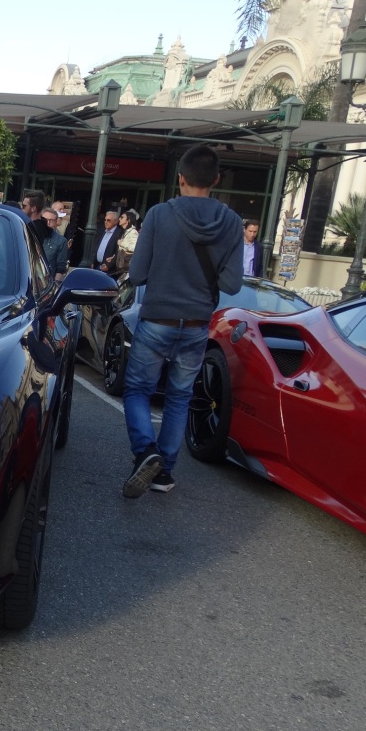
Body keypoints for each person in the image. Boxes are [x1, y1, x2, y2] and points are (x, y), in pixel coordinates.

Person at [121, 144, 242, 497]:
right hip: (196, 323)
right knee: (179, 397)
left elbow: (138, 273)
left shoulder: (159, 215)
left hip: (157, 318)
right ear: (216, 179)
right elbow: (233, 283)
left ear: (181, 178)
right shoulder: (233, 223)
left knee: (139, 390)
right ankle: (164, 473)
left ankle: (146, 452)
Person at [93, 209, 123, 275]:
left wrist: (109, 265)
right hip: (97, 265)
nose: (106, 222)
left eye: (108, 220)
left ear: (115, 221)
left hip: (108, 269)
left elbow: (118, 252)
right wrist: (93, 261)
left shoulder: (119, 234)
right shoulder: (103, 231)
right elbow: (97, 247)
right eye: (105, 220)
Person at [40, 208, 67, 277]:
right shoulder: (31, 235)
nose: (48, 223)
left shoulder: (61, 241)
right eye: (45, 220)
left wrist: (56, 284)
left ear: (55, 222)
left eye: (51, 220)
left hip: (48, 279)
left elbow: (60, 268)